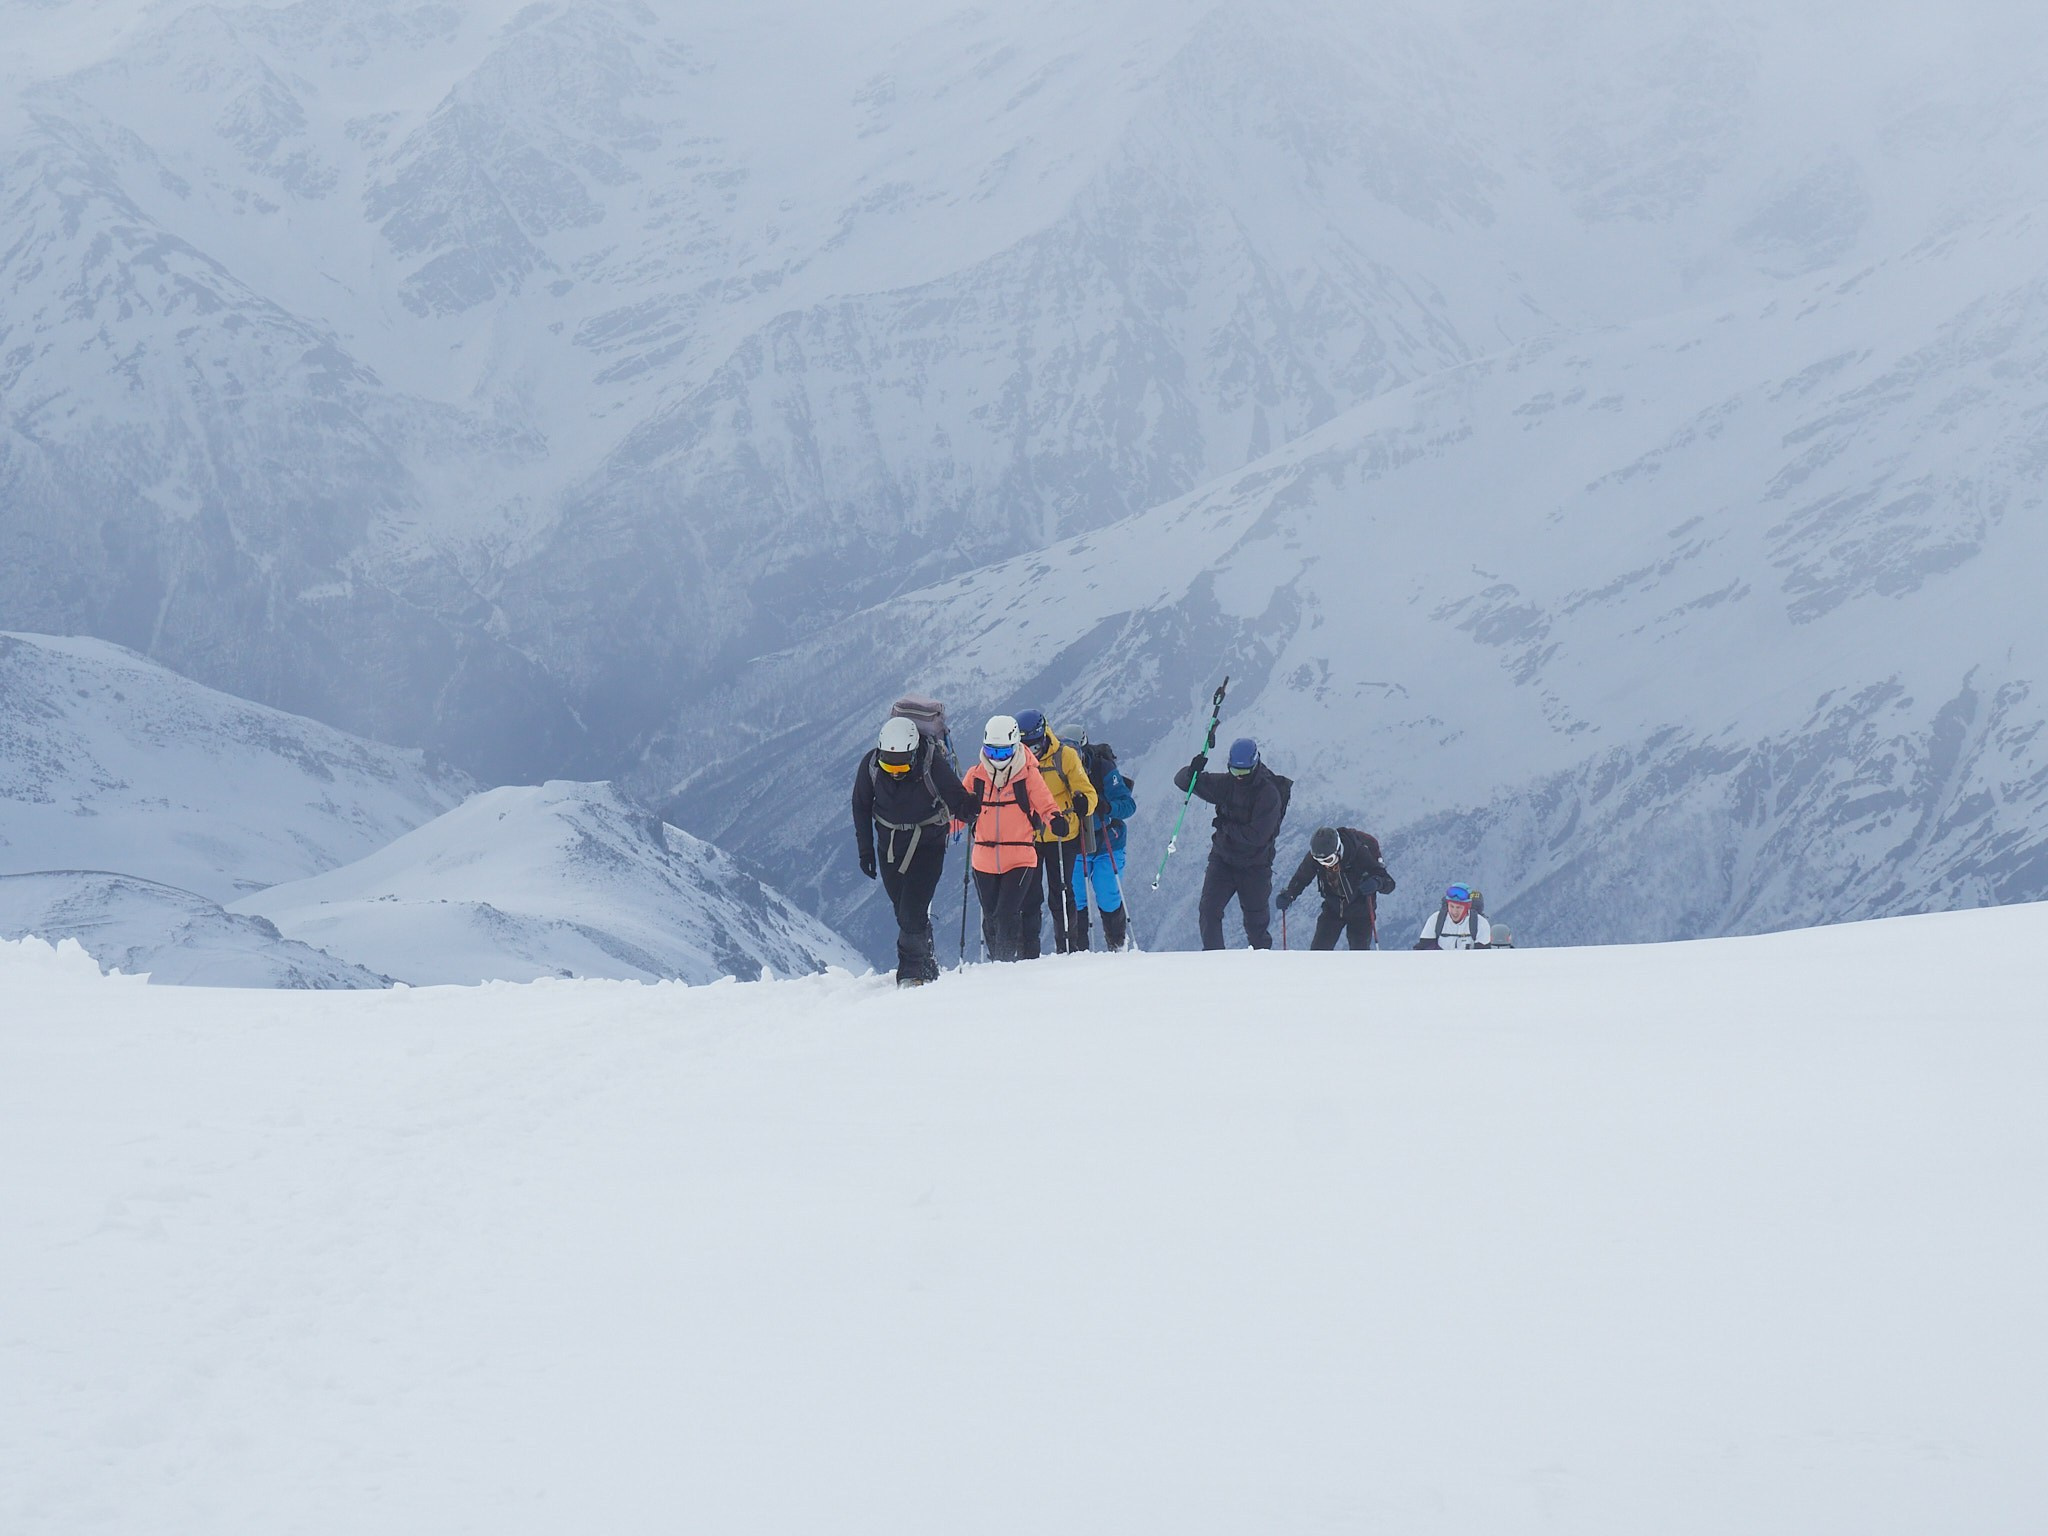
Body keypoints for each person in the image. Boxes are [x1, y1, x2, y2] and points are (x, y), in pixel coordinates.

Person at [851, 714, 979, 985]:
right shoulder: (871, 766)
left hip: (928, 845)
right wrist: (865, 851)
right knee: (905, 912)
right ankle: (928, 967)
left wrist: (969, 808)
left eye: (901, 766)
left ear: (913, 753)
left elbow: (956, 798)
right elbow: (860, 806)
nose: (895, 772)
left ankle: (910, 975)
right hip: (890, 847)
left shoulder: (932, 763)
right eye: (889, 765)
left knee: (911, 911)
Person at [957, 714, 1064, 962]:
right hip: (984, 859)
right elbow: (956, 812)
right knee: (991, 915)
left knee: (1006, 913)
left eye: (1003, 752)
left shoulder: (1028, 775)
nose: (997, 759)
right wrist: (949, 821)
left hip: (1020, 858)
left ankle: (1005, 964)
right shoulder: (976, 776)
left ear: (1016, 746)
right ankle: (999, 962)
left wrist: (1055, 819)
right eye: (992, 752)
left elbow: (1046, 804)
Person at [1172, 736, 1289, 950]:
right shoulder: (1226, 784)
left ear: (1255, 764)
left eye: (1244, 771)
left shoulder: (1268, 794)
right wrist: (1191, 771)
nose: (1239, 776)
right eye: (1235, 771)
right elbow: (1181, 782)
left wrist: (1225, 827)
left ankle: (1263, 964)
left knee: (1256, 925)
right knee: (1209, 911)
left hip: (1255, 866)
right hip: (1223, 861)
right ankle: (1214, 959)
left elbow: (1258, 836)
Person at [1013, 709, 1096, 957]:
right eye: (1025, 747)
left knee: (1061, 891)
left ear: (1043, 736)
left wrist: (1084, 804)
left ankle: (1068, 947)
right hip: (1030, 836)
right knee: (1029, 895)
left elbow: (1088, 792)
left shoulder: (1065, 756)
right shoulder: (1015, 758)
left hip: (1062, 835)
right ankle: (1028, 953)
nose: (1031, 753)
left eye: (1034, 747)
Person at [1067, 725, 1137, 951]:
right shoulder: (1059, 771)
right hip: (1077, 844)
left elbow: (1128, 805)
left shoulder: (1103, 768)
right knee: (1076, 898)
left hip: (1108, 841)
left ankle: (1116, 945)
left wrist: (1108, 807)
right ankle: (1078, 951)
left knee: (1107, 893)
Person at [1275, 825, 1396, 950]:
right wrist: (1289, 894)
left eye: (1329, 860)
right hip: (1333, 907)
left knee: (1359, 954)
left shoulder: (1359, 853)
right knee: (1318, 952)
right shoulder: (1318, 855)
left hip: (1361, 910)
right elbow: (1302, 877)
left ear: (1338, 850)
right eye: (1320, 861)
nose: (1325, 865)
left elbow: (1389, 882)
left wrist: (1377, 882)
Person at [1413, 883, 1492, 950]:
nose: (1454, 912)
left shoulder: (1480, 923)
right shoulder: (1436, 920)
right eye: (1451, 906)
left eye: (1459, 907)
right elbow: (1423, 950)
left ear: (1467, 907)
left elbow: (1482, 955)